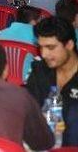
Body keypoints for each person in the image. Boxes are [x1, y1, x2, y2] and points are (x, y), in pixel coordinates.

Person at [26, 17, 78, 146]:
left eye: (50, 47)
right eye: (41, 47)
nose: (44, 54)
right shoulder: (39, 70)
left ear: (69, 45)